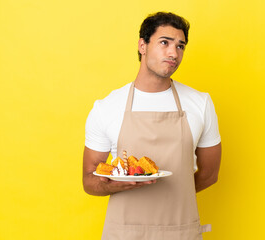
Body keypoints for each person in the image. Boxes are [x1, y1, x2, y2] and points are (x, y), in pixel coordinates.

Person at [83, 12, 221, 239]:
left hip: (180, 231)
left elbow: (209, 173)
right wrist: (119, 185)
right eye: (164, 42)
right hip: (124, 233)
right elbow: (89, 179)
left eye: (180, 46)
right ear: (142, 46)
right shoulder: (106, 107)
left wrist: (174, 192)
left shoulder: (200, 103)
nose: (173, 53)